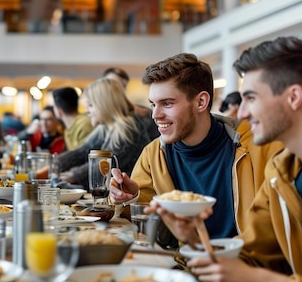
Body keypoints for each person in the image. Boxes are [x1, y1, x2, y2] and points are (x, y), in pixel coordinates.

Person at [185, 37, 302, 282]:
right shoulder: (283, 173)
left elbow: (255, 276)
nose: (240, 113)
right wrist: (192, 237)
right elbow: (251, 255)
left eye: (251, 98)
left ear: (293, 97)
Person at [108, 53, 283, 242]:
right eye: (153, 104)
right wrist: (130, 197)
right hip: (184, 262)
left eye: (167, 103)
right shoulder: (153, 154)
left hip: (244, 264)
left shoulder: (258, 146)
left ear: (201, 102)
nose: (155, 115)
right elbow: (154, 229)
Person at [57, 78, 150, 189]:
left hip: (129, 198)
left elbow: (106, 165)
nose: (87, 111)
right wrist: (56, 163)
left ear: (104, 105)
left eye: (90, 105)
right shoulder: (106, 127)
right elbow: (83, 151)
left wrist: (74, 175)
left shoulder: (128, 129)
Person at [103, 67, 159, 140]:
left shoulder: (143, 113)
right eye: (110, 84)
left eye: (120, 86)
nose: (115, 89)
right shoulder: (93, 114)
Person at [52, 86, 94, 150]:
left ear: (59, 111)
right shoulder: (68, 129)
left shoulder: (84, 125)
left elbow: (83, 156)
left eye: (54, 106)